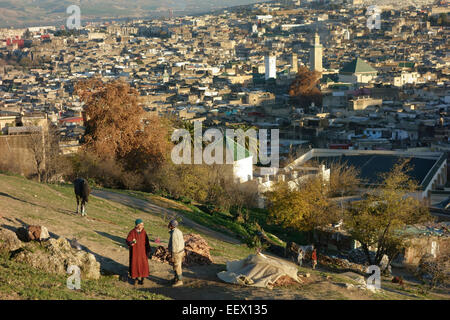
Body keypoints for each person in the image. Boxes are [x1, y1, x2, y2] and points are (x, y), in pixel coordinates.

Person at [126, 219, 151, 286]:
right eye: (141, 225)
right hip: (135, 252)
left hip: (143, 252)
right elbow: (128, 240)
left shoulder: (144, 232)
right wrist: (130, 243)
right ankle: (136, 279)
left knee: (143, 265)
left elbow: (147, 242)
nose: (143, 226)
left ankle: (143, 279)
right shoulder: (132, 232)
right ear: (137, 225)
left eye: (143, 225)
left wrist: (148, 250)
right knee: (135, 265)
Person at [168, 219, 185, 287]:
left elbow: (175, 245)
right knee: (177, 266)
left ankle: (179, 281)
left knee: (177, 266)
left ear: (172, 226)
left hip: (176, 252)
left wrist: (173, 254)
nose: (168, 225)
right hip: (181, 251)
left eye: (169, 224)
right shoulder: (178, 231)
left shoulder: (175, 233)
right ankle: (176, 279)